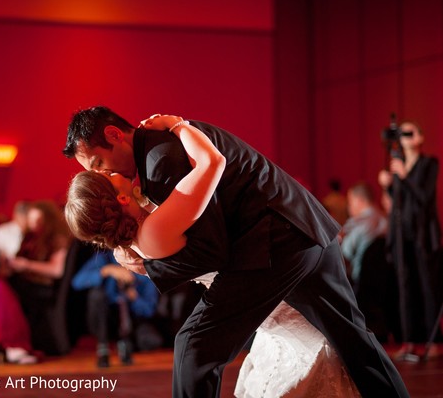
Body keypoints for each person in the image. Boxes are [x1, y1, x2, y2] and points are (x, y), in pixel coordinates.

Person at [63, 107, 409, 398]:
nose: (102, 173)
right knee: (353, 339)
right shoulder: (158, 150)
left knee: (194, 346)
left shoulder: (161, 161)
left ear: (113, 135)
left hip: (277, 245)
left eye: (97, 163)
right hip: (305, 229)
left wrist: (150, 267)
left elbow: (209, 249)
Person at [378, 120, 441, 360]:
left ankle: (433, 340)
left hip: (423, 234)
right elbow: (396, 201)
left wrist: (403, 177)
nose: (404, 136)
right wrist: (388, 185)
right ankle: (408, 341)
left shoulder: (429, 163)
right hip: (401, 234)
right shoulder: (398, 165)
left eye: (409, 131)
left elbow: (424, 198)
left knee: (427, 287)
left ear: (420, 138)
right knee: (405, 288)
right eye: (402, 132)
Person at [72, 249, 161, 368]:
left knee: (150, 340)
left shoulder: (145, 266)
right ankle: (103, 347)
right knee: (96, 295)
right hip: (107, 318)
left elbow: (149, 310)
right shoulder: (105, 258)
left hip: (133, 319)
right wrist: (106, 270)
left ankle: (126, 345)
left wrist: (133, 295)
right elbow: (77, 282)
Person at [8, 200, 73, 355]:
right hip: (29, 283)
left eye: (37, 220)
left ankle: (16, 344)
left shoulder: (57, 239)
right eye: (31, 221)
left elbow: (56, 270)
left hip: (45, 287)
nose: (33, 225)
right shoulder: (30, 238)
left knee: (10, 291)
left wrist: (26, 265)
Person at [340, 182, 389, 288]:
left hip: (361, 288)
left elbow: (343, 258)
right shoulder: (388, 221)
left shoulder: (355, 224)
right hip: (388, 287)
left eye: (350, 201)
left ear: (359, 201)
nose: (348, 206)